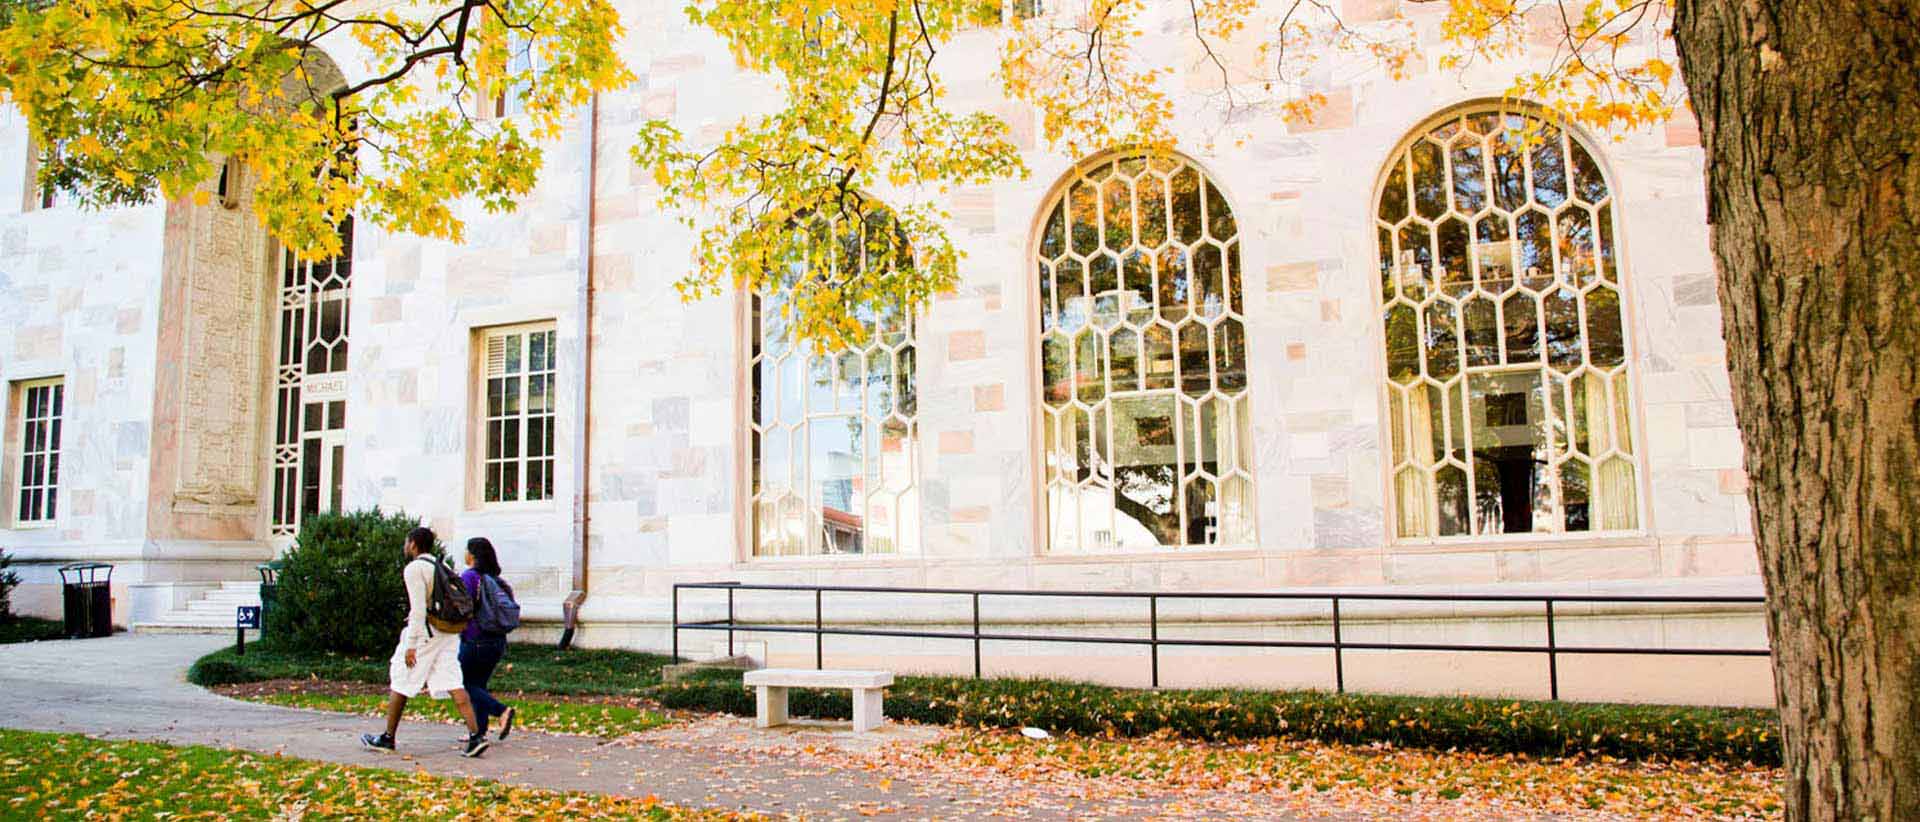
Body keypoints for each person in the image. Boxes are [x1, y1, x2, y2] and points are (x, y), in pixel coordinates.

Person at [360, 526, 490, 758]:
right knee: (454, 681)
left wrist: (411, 645)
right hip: (448, 633)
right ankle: (475, 736)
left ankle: (388, 738)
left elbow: (418, 609)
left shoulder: (414, 568)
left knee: (401, 678)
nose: (405, 546)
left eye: (406, 542)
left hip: (427, 633)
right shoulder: (442, 565)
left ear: (413, 544)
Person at [459, 537, 516, 740]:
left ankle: (501, 710)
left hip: (475, 639)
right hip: (497, 641)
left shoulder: (470, 576)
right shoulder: (497, 581)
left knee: (462, 684)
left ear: (472, 555)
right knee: (478, 684)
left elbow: (463, 607)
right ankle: (478, 732)